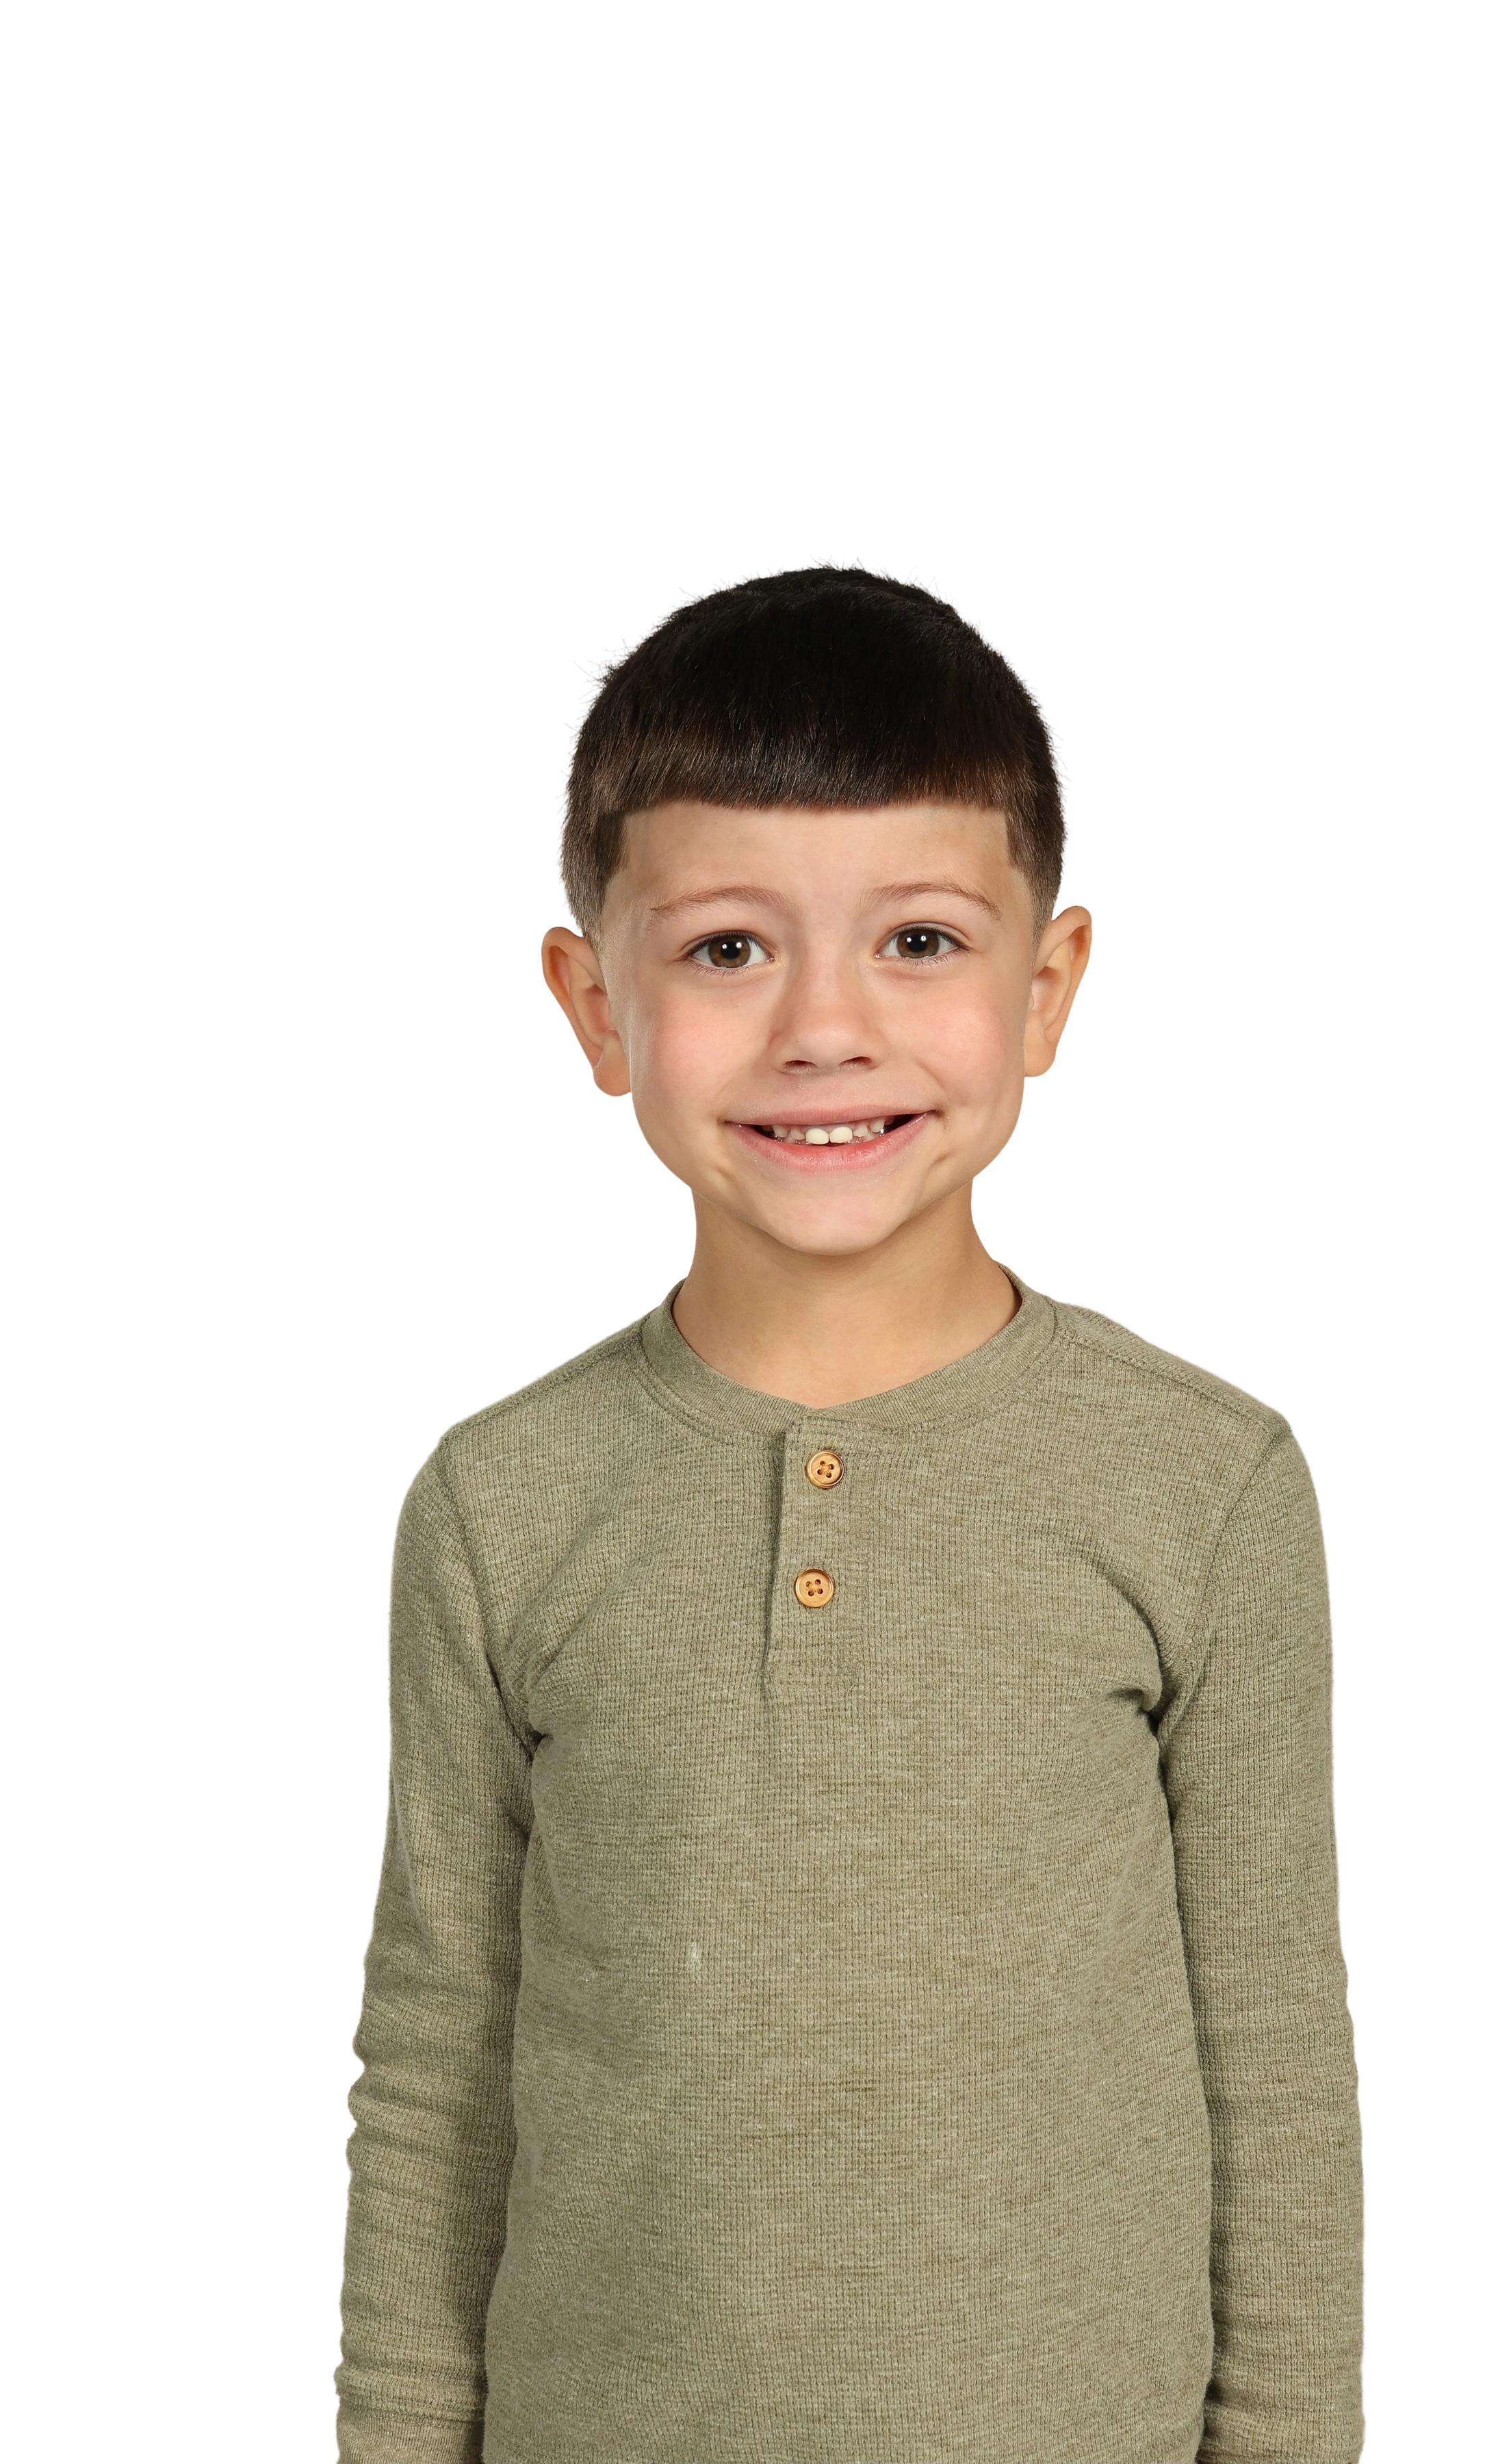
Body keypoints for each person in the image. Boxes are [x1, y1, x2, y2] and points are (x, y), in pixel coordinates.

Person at [331, 555, 1369, 2464]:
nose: (826, 1028)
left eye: (919, 941)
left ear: (1047, 989)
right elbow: (435, 2078)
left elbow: (1278, 2065)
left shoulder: (1205, 1483)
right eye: (730, 949)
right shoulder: (500, 1502)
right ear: (594, 1005)